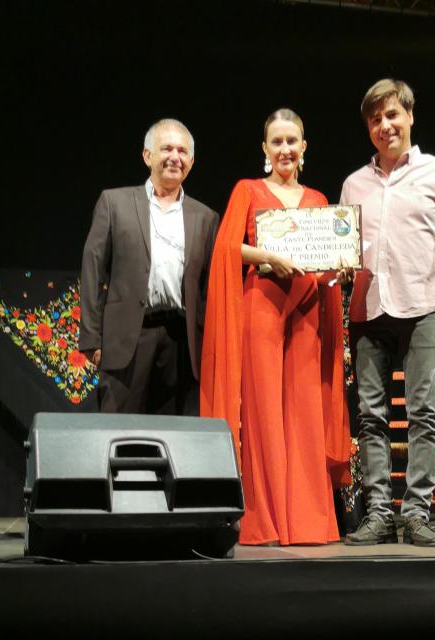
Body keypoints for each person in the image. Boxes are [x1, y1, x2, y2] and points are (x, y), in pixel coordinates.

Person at [341, 79, 435, 547]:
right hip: (369, 309)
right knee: (370, 415)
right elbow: (342, 251)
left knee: (424, 412)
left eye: (392, 115)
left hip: (426, 306)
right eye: (375, 119)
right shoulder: (354, 184)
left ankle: (419, 513)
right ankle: (380, 513)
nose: (385, 125)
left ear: (409, 116)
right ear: (368, 128)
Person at [200, 108, 351, 546]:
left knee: (305, 413)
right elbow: (227, 246)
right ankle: (264, 521)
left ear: (304, 148)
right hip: (261, 306)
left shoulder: (319, 199)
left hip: (305, 312)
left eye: (292, 141)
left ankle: (306, 522)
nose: (285, 149)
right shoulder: (247, 190)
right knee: (264, 414)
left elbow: (326, 258)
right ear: (265, 150)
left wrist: (334, 273)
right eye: (277, 142)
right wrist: (271, 256)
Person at [79, 119, 219, 416]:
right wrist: (91, 337)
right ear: (147, 156)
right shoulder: (114, 203)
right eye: (166, 148)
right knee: (119, 435)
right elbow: (92, 269)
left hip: (182, 344)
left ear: (191, 162)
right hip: (129, 336)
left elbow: (209, 290)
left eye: (182, 151)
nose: (174, 157)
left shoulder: (206, 218)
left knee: (174, 440)